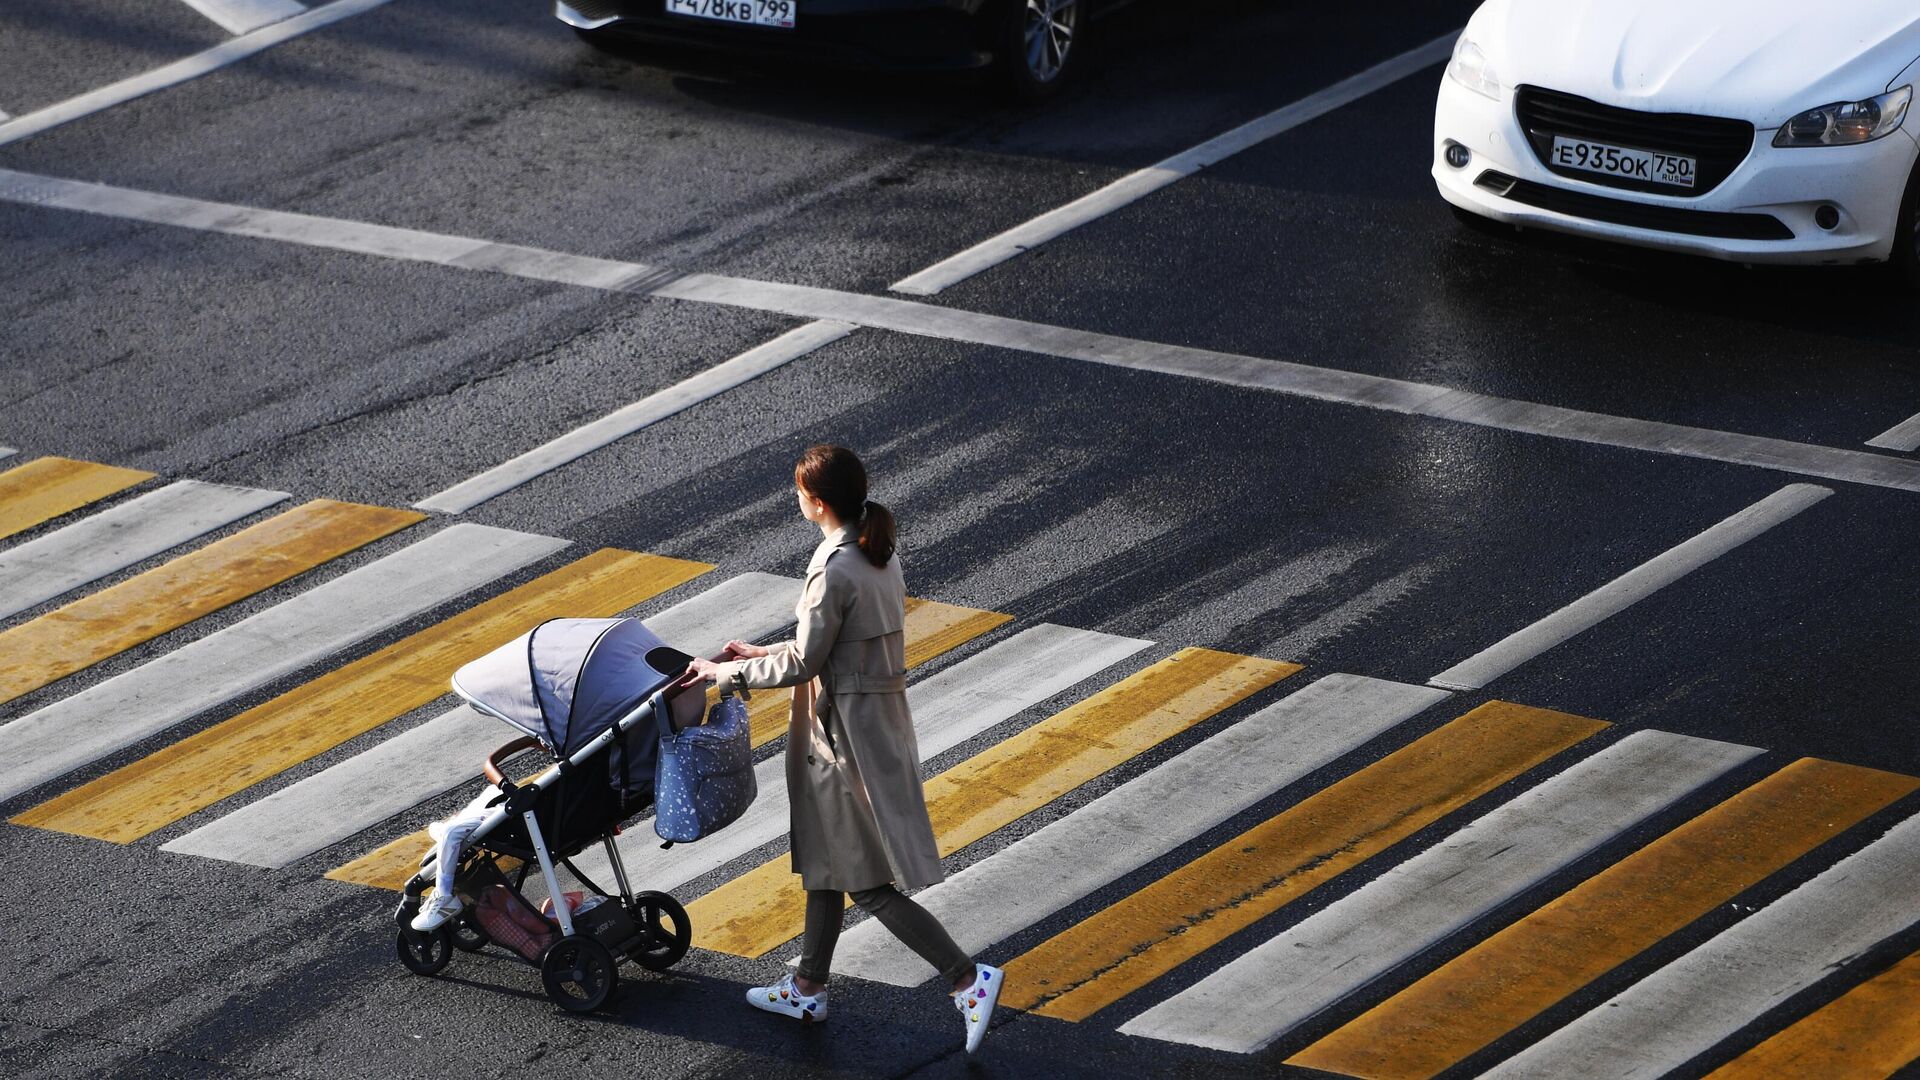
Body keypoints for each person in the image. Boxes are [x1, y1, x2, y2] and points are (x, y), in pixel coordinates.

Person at [688, 444, 1002, 1054]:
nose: (796, 501)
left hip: (843, 734)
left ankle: (967, 978)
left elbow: (807, 658)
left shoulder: (834, 566)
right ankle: (808, 984)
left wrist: (722, 673)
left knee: (867, 881)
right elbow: (834, 643)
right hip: (873, 719)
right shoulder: (873, 549)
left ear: (819, 501)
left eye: (799, 494)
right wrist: (764, 654)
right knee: (830, 861)